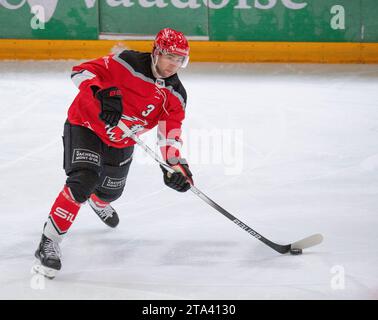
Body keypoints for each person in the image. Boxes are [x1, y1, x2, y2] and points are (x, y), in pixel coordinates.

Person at [33, 28, 194, 279]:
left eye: (179, 59)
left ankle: (99, 201)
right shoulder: (126, 63)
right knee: (83, 181)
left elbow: (169, 135)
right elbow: (80, 71)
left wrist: (177, 168)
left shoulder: (175, 96)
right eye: (169, 57)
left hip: (121, 140)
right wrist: (102, 92)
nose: (173, 64)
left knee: (110, 192)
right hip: (85, 125)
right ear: (156, 52)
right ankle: (49, 242)